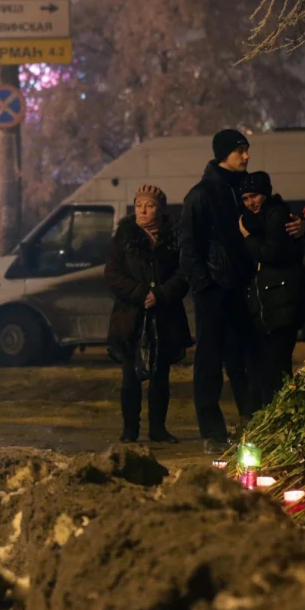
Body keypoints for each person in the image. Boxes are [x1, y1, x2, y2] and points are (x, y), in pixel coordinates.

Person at [181, 130, 305, 452]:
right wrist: (205, 287)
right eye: (240, 151)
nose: (247, 156)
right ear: (224, 154)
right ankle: (212, 432)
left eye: (247, 150)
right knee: (210, 363)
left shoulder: (246, 188)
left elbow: (276, 215)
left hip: (244, 288)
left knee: (246, 361)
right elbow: (190, 247)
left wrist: (304, 227)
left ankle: (252, 424)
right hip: (215, 290)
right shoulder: (201, 194)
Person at [105, 185, 192, 444]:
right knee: (130, 377)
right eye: (139, 204)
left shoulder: (174, 237)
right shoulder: (123, 236)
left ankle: (158, 430)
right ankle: (130, 430)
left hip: (164, 317)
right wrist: (140, 292)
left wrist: (162, 294)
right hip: (131, 317)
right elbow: (113, 274)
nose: (143, 210)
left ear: (160, 209)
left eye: (150, 205)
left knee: (160, 377)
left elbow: (184, 272)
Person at [239, 171, 305, 411]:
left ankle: (284, 416)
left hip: (281, 303)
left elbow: (271, 253)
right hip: (270, 305)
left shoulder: (276, 215)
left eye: (254, 196)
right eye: (246, 198)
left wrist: (247, 238)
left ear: (265, 193)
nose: (250, 202)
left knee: (277, 367)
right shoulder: (259, 218)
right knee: (268, 368)